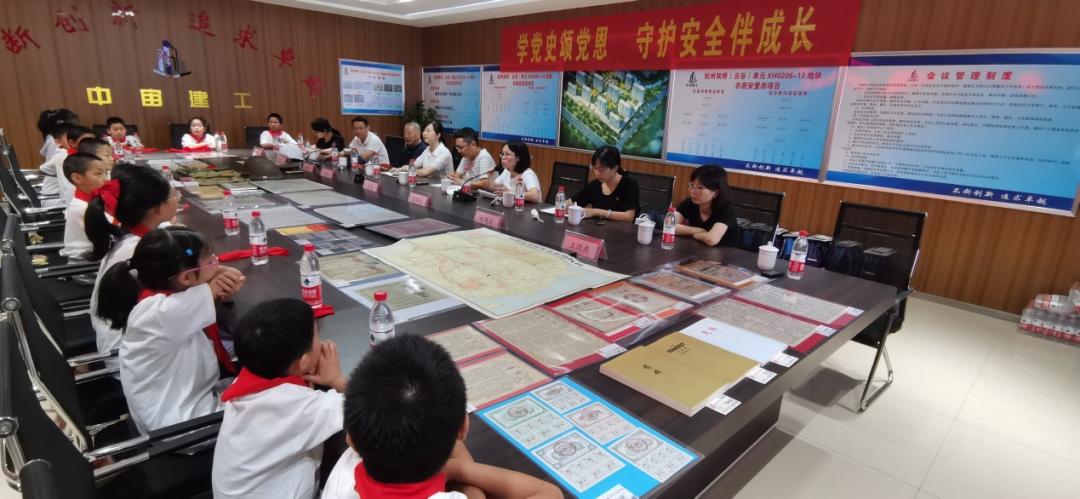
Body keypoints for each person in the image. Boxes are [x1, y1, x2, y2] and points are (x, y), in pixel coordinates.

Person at [321, 335, 561, 499]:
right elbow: (550, 494)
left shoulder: (344, 471)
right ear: (463, 428)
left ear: (352, 438)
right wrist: (460, 471)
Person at [95, 227, 245, 433]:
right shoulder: (164, 312)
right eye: (211, 260)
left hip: (177, 404)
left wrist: (212, 272)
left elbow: (220, 282)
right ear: (186, 278)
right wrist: (218, 279)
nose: (216, 263)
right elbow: (224, 281)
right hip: (182, 424)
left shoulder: (155, 299)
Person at [212, 299, 348, 499]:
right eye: (317, 336)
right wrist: (336, 380)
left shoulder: (251, 374)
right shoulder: (298, 406)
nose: (321, 343)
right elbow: (367, 405)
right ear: (303, 361)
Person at [85, 165, 179, 356]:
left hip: (126, 334)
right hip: (131, 352)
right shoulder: (140, 250)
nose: (178, 197)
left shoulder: (130, 237)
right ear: (158, 208)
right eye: (174, 195)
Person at [674, 165, 738, 247]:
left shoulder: (726, 208)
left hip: (726, 253)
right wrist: (698, 230)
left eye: (700, 187)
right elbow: (668, 225)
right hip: (697, 249)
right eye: (692, 185)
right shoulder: (690, 202)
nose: (693, 191)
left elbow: (712, 239)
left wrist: (695, 235)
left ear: (715, 193)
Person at [571, 145, 640, 222]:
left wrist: (596, 212)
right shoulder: (593, 186)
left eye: (601, 170)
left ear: (615, 168)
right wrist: (562, 205)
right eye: (595, 168)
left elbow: (629, 217)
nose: (597, 173)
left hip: (621, 229)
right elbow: (571, 202)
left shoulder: (629, 184)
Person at [59, 153, 108, 261]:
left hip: (95, 255)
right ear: (77, 178)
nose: (106, 179)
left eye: (106, 173)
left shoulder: (86, 197)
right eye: (99, 174)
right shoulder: (83, 207)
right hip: (86, 262)